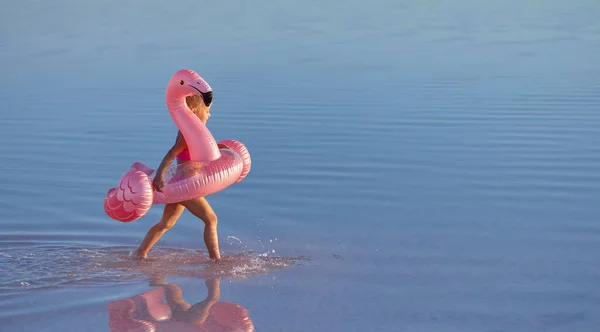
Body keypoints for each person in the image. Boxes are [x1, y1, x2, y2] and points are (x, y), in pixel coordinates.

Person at [134, 94, 226, 262]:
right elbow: (171, 153)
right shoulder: (188, 134)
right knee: (211, 219)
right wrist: (160, 175)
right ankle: (216, 260)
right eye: (207, 111)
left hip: (180, 184)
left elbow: (203, 150)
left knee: (166, 224)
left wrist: (220, 147)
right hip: (186, 186)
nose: (209, 115)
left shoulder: (196, 134)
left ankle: (139, 254)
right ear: (194, 110)